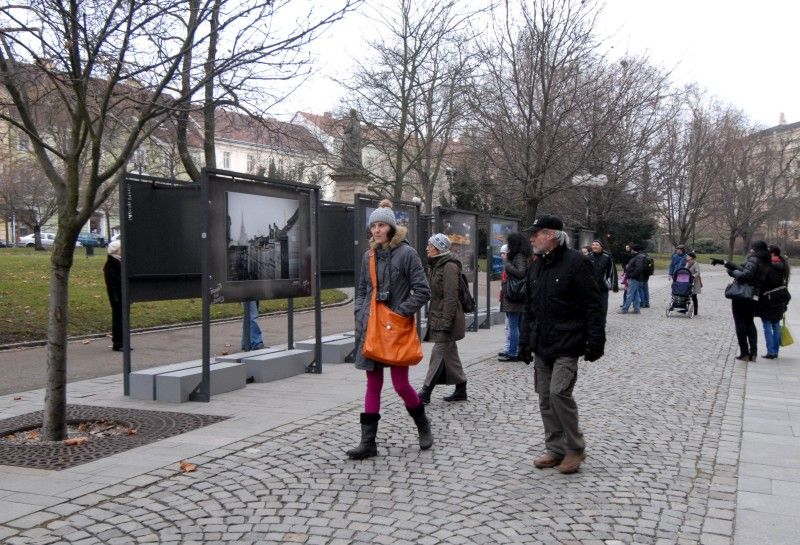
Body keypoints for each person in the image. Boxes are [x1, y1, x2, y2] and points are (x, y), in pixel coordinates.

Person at [518, 215, 605, 474]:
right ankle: (555, 448)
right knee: (545, 397)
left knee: (559, 393)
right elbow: (529, 307)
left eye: (537, 233)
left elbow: (593, 304)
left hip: (568, 342)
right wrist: (524, 341)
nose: (532, 238)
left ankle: (575, 448)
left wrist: (595, 340)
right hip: (542, 343)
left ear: (552, 235)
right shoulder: (536, 266)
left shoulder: (577, 262)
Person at [347, 199, 432, 460]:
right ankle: (368, 443)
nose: (376, 231)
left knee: (400, 385)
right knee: (373, 384)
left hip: (395, 329)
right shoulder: (368, 255)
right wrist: (360, 312)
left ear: (391, 228)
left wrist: (400, 312)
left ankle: (423, 425)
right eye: (373, 226)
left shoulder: (407, 254)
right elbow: (362, 289)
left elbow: (423, 290)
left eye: (381, 225)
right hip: (371, 326)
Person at [417, 233, 467, 404]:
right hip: (438, 315)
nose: (427, 248)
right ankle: (461, 388)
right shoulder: (436, 265)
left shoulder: (449, 267)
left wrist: (447, 322)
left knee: (438, 353)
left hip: (447, 318)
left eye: (430, 245)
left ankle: (425, 391)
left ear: (438, 248)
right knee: (450, 354)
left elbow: (451, 297)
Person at [725, 240, 771, 361]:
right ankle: (753, 353)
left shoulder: (754, 259)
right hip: (754, 295)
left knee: (739, 322)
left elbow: (746, 275)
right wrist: (733, 265)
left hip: (743, 294)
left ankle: (744, 352)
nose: (751, 250)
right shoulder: (765, 261)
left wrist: (732, 272)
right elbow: (749, 271)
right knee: (749, 322)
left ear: (755, 249)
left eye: (752, 248)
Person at [498, 233, 532, 362]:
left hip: (515, 296)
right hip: (519, 296)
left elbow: (520, 272)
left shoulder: (519, 256)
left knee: (513, 326)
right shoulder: (524, 255)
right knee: (518, 326)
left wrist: (507, 263)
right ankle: (518, 351)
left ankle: (513, 352)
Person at [758, 245, 791, 359]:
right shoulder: (784, 265)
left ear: (772, 254)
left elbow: (764, 282)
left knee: (767, 324)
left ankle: (771, 351)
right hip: (780, 297)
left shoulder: (768, 266)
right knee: (776, 324)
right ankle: (775, 351)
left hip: (768, 298)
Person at [586, 239, 618, 318]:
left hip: (603, 286)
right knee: (592, 307)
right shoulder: (589, 256)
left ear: (601, 247)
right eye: (593, 245)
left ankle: (602, 323)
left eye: (596, 245)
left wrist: (614, 285)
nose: (594, 246)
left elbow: (612, 271)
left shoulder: (607, 256)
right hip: (591, 287)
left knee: (603, 307)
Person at [103, 240, 124, 351]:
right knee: (118, 319)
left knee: (122, 319)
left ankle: (122, 341)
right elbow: (112, 284)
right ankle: (118, 343)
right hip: (117, 297)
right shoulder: (111, 265)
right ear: (117, 250)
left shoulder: (119, 262)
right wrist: (116, 297)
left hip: (121, 295)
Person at [620, 245, 647, 314]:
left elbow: (639, 268)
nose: (630, 251)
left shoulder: (638, 257)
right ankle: (636, 309)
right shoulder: (638, 256)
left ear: (634, 250)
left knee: (629, 294)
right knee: (635, 294)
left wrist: (631, 275)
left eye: (632, 250)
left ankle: (625, 309)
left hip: (634, 278)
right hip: (636, 278)